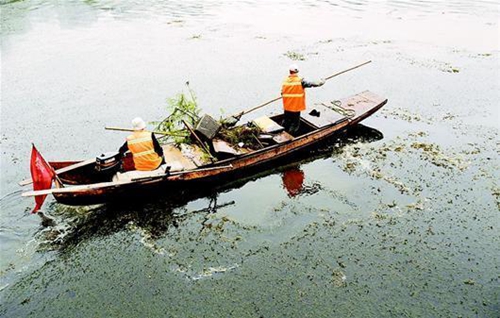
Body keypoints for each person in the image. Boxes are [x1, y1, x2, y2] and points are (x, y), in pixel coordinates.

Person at [281, 64, 325, 135]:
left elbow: (282, 93)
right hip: (296, 107)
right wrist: (322, 81)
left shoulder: (285, 81)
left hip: (287, 107)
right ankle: (290, 137)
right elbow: (314, 84)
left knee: (286, 121)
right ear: (297, 71)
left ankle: (282, 133)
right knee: (295, 124)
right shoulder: (300, 81)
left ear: (290, 71)